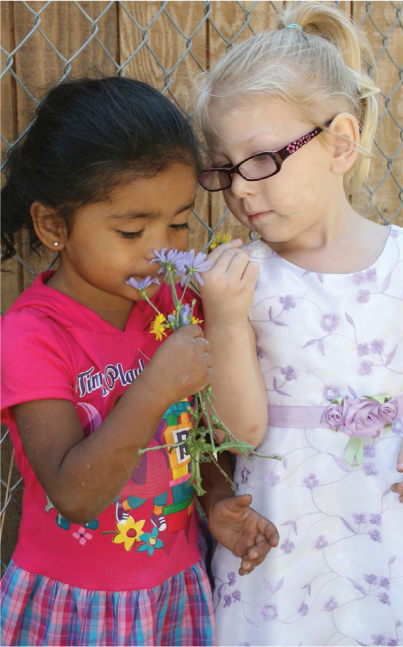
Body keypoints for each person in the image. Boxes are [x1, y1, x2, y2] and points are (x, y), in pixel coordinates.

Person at [0, 76, 279, 647]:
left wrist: (216, 500)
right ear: (54, 225)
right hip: (75, 604)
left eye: (178, 223)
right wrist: (153, 388)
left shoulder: (176, 307)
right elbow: (74, 495)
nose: (160, 249)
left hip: (175, 586)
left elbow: (190, 437)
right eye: (132, 229)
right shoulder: (31, 336)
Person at [194, 2, 403, 645]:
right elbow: (241, 430)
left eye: (261, 159)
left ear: (341, 142)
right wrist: (225, 320)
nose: (241, 188)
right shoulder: (242, 280)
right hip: (283, 543)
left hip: (394, 535)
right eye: (224, 167)